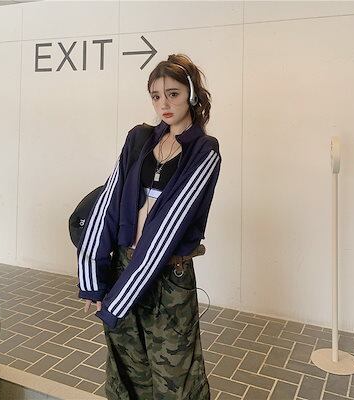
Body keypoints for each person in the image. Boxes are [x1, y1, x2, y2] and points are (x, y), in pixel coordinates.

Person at [77, 53, 222, 399]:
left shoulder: (204, 151)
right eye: (156, 96)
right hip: (124, 265)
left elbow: (168, 228)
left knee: (174, 374)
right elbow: (108, 204)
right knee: (127, 367)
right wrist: (93, 278)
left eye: (173, 94)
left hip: (167, 276)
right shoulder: (139, 139)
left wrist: (117, 299)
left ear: (191, 95)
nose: (164, 104)